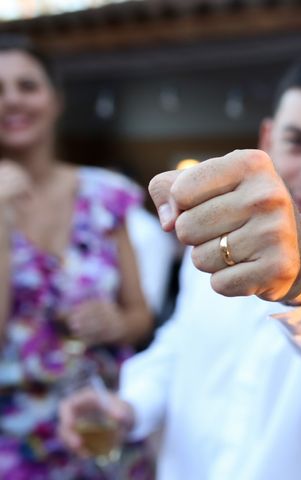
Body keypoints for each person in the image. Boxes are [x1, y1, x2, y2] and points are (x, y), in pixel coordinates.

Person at [59, 49, 301, 480]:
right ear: (267, 138)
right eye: (298, 142)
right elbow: (180, 344)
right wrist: (128, 406)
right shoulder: (212, 237)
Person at [0, 37, 154, 478]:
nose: (12, 99)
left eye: (27, 85)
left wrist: (117, 323)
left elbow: (142, 314)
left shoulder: (106, 194)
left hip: (104, 424)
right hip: (16, 438)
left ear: (54, 99)